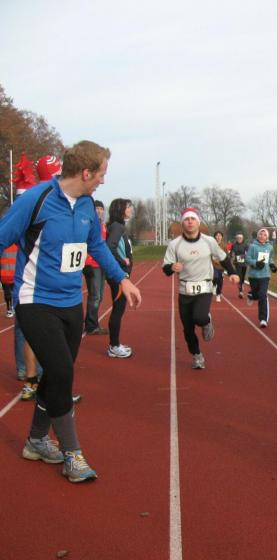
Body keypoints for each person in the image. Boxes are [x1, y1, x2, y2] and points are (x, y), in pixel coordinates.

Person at [0, 140, 142, 483]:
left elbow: (96, 246)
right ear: (86, 172)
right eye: (102, 174)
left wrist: (121, 278)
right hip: (35, 300)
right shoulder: (37, 200)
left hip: (70, 303)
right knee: (62, 372)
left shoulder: (87, 206)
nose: (104, 181)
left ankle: (36, 440)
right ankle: (72, 454)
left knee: (57, 375)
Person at [162, 207, 240, 369]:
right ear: (182, 224)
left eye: (193, 219)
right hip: (184, 290)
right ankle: (197, 355)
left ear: (198, 223)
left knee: (199, 317)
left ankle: (206, 321)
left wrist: (232, 273)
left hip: (204, 287)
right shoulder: (175, 244)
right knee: (187, 329)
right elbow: (166, 268)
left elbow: (223, 258)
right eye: (186, 219)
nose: (190, 222)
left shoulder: (209, 241)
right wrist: (172, 267)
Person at [105, 198, 134, 358]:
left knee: (119, 308)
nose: (131, 209)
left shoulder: (119, 226)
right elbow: (110, 246)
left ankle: (115, 344)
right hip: (118, 274)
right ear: (120, 209)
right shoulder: (117, 226)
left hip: (120, 273)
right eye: (128, 207)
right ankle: (114, 346)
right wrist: (123, 260)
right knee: (118, 309)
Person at [83, 199, 108, 335]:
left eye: (101, 209)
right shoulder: (89, 224)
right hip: (92, 264)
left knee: (100, 296)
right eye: (97, 208)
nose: (99, 211)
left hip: (101, 264)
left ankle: (91, 322)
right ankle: (91, 325)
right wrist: (87, 262)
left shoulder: (102, 226)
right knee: (95, 295)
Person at [245, 227, 277, 328]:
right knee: (256, 294)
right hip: (253, 275)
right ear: (257, 236)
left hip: (265, 275)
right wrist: (256, 263)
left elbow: (270, 258)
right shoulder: (252, 246)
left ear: (267, 237)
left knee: (262, 295)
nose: (262, 236)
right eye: (260, 234)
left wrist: (272, 265)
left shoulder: (270, 247)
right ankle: (251, 295)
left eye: (264, 235)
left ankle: (263, 319)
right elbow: (247, 259)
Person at [229, 232, 249, 298]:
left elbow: (248, 253)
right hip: (237, 264)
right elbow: (232, 253)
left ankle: (242, 284)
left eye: (240, 238)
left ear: (242, 238)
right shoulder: (234, 245)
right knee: (239, 276)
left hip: (244, 264)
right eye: (238, 238)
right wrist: (232, 256)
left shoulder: (246, 245)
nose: (239, 239)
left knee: (243, 277)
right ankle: (240, 292)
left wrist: (245, 256)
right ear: (236, 238)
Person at [211, 231, 226, 303]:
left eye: (220, 235)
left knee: (220, 281)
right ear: (214, 237)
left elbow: (226, 256)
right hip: (213, 265)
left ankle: (218, 294)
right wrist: (213, 260)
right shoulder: (211, 245)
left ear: (222, 237)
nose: (218, 237)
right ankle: (214, 285)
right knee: (215, 277)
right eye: (217, 235)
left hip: (221, 266)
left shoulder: (224, 245)